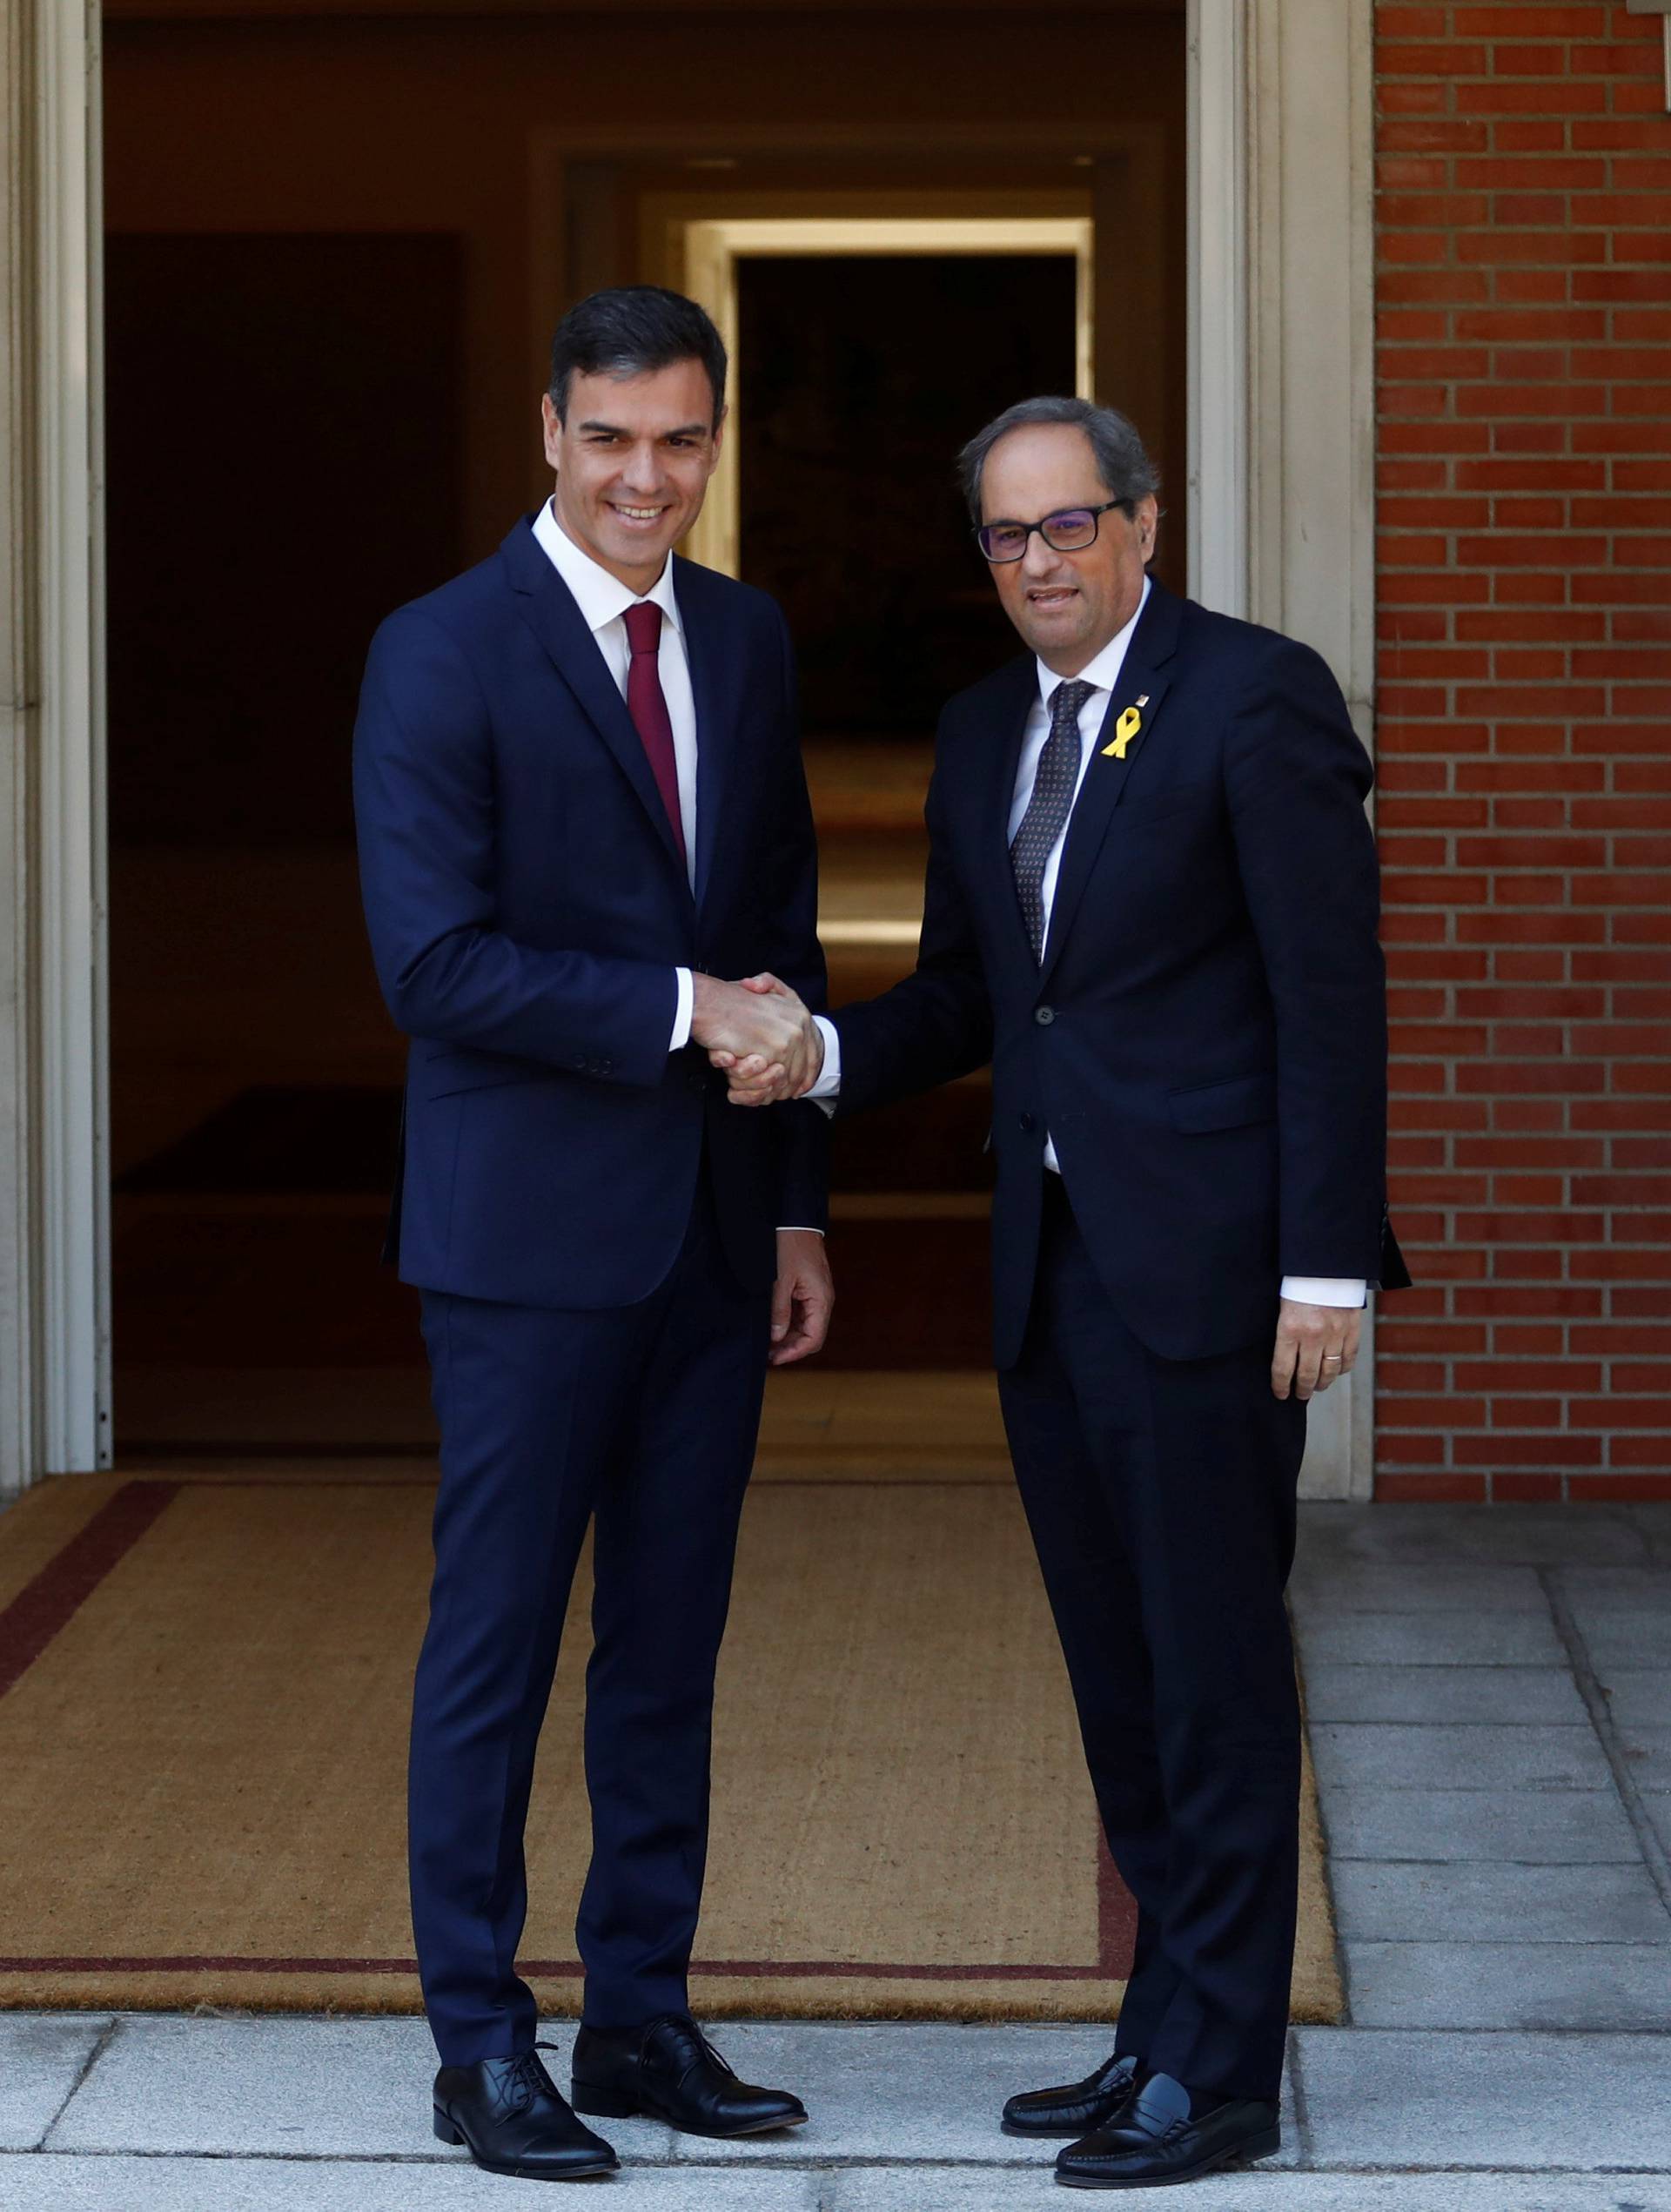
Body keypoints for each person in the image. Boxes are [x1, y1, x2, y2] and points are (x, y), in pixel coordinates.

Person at [716, 396, 1407, 2191]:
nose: (1040, 561)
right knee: (1119, 1675)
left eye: (1070, 525)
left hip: (1213, 1274)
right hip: (1047, 1275)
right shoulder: (976, 733)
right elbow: (974, 994)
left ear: (1144, 521)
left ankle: (1226, 2067)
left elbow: (1331, 1001)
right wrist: (827, 1056)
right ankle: (1158, 2023)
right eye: (1008, 537)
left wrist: (1326, 1261)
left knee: (1217, 1672)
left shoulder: (1256, 697)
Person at [353, 286, 832, 2183]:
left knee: (668, 1649)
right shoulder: (441, 650)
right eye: (616, 437)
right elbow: (433, 960)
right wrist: (679, 1007)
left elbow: (780, 912)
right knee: (496, 1643)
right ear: (551, 432)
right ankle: (482, 2042)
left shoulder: (746, 634)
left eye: (685, 440)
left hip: (718, 1234)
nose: (651, 476)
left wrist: (796, 1193)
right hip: (524, 1243)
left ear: (714, 443)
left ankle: (638, 2011)